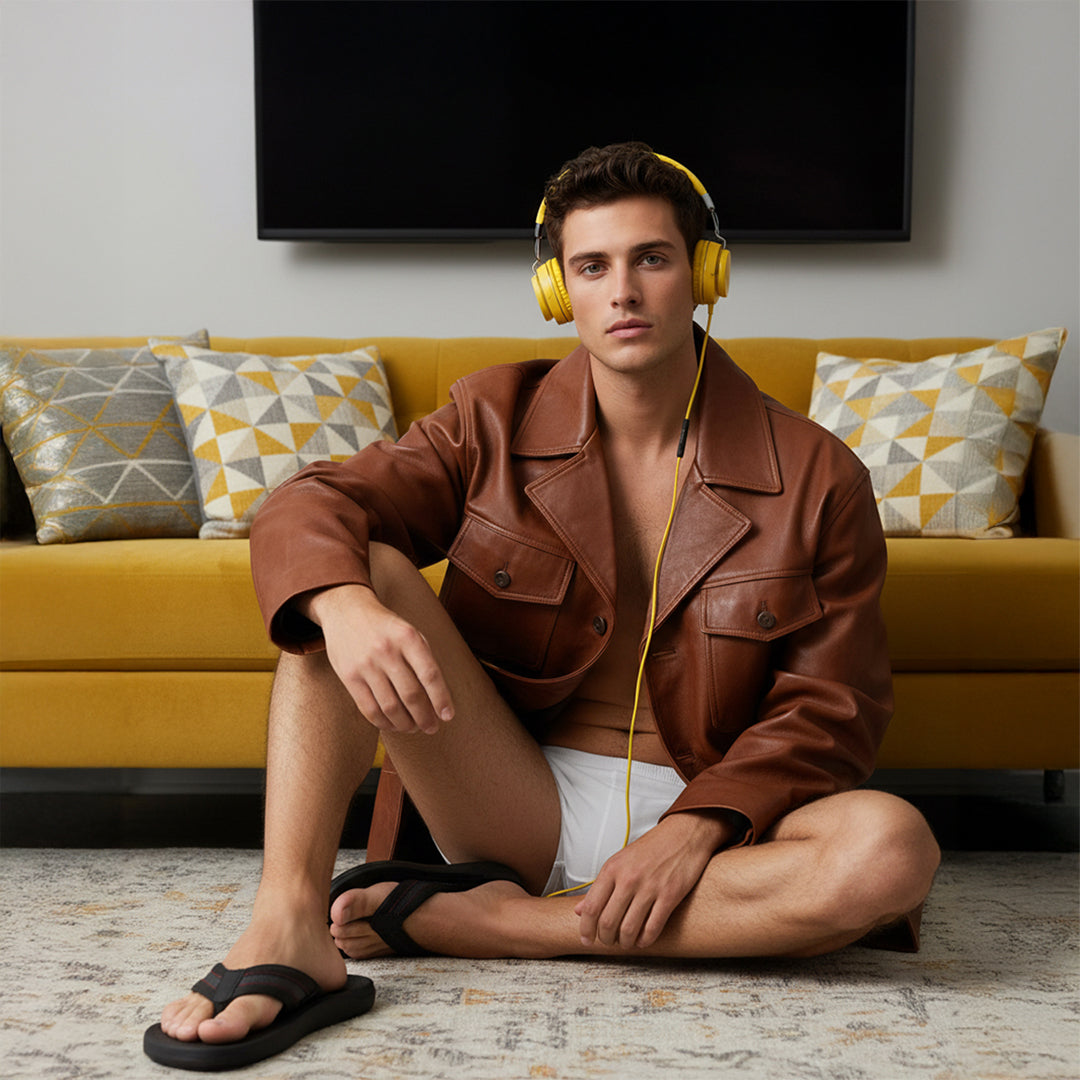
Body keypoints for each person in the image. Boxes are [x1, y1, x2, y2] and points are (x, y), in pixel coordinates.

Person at [148, 143, 940, 1070]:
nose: (624, 292)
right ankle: (289, 925)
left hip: (723, 824)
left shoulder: (816, 474)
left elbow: (831, 711)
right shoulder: (491, 417)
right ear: (559, 290)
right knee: (343, 569)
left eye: (652, 258)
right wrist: (346, 604)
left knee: (891, 851)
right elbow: (310, 504)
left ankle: (500, 924)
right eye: (593, 267)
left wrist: (693, 830)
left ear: (705, 273)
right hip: (516, 797)